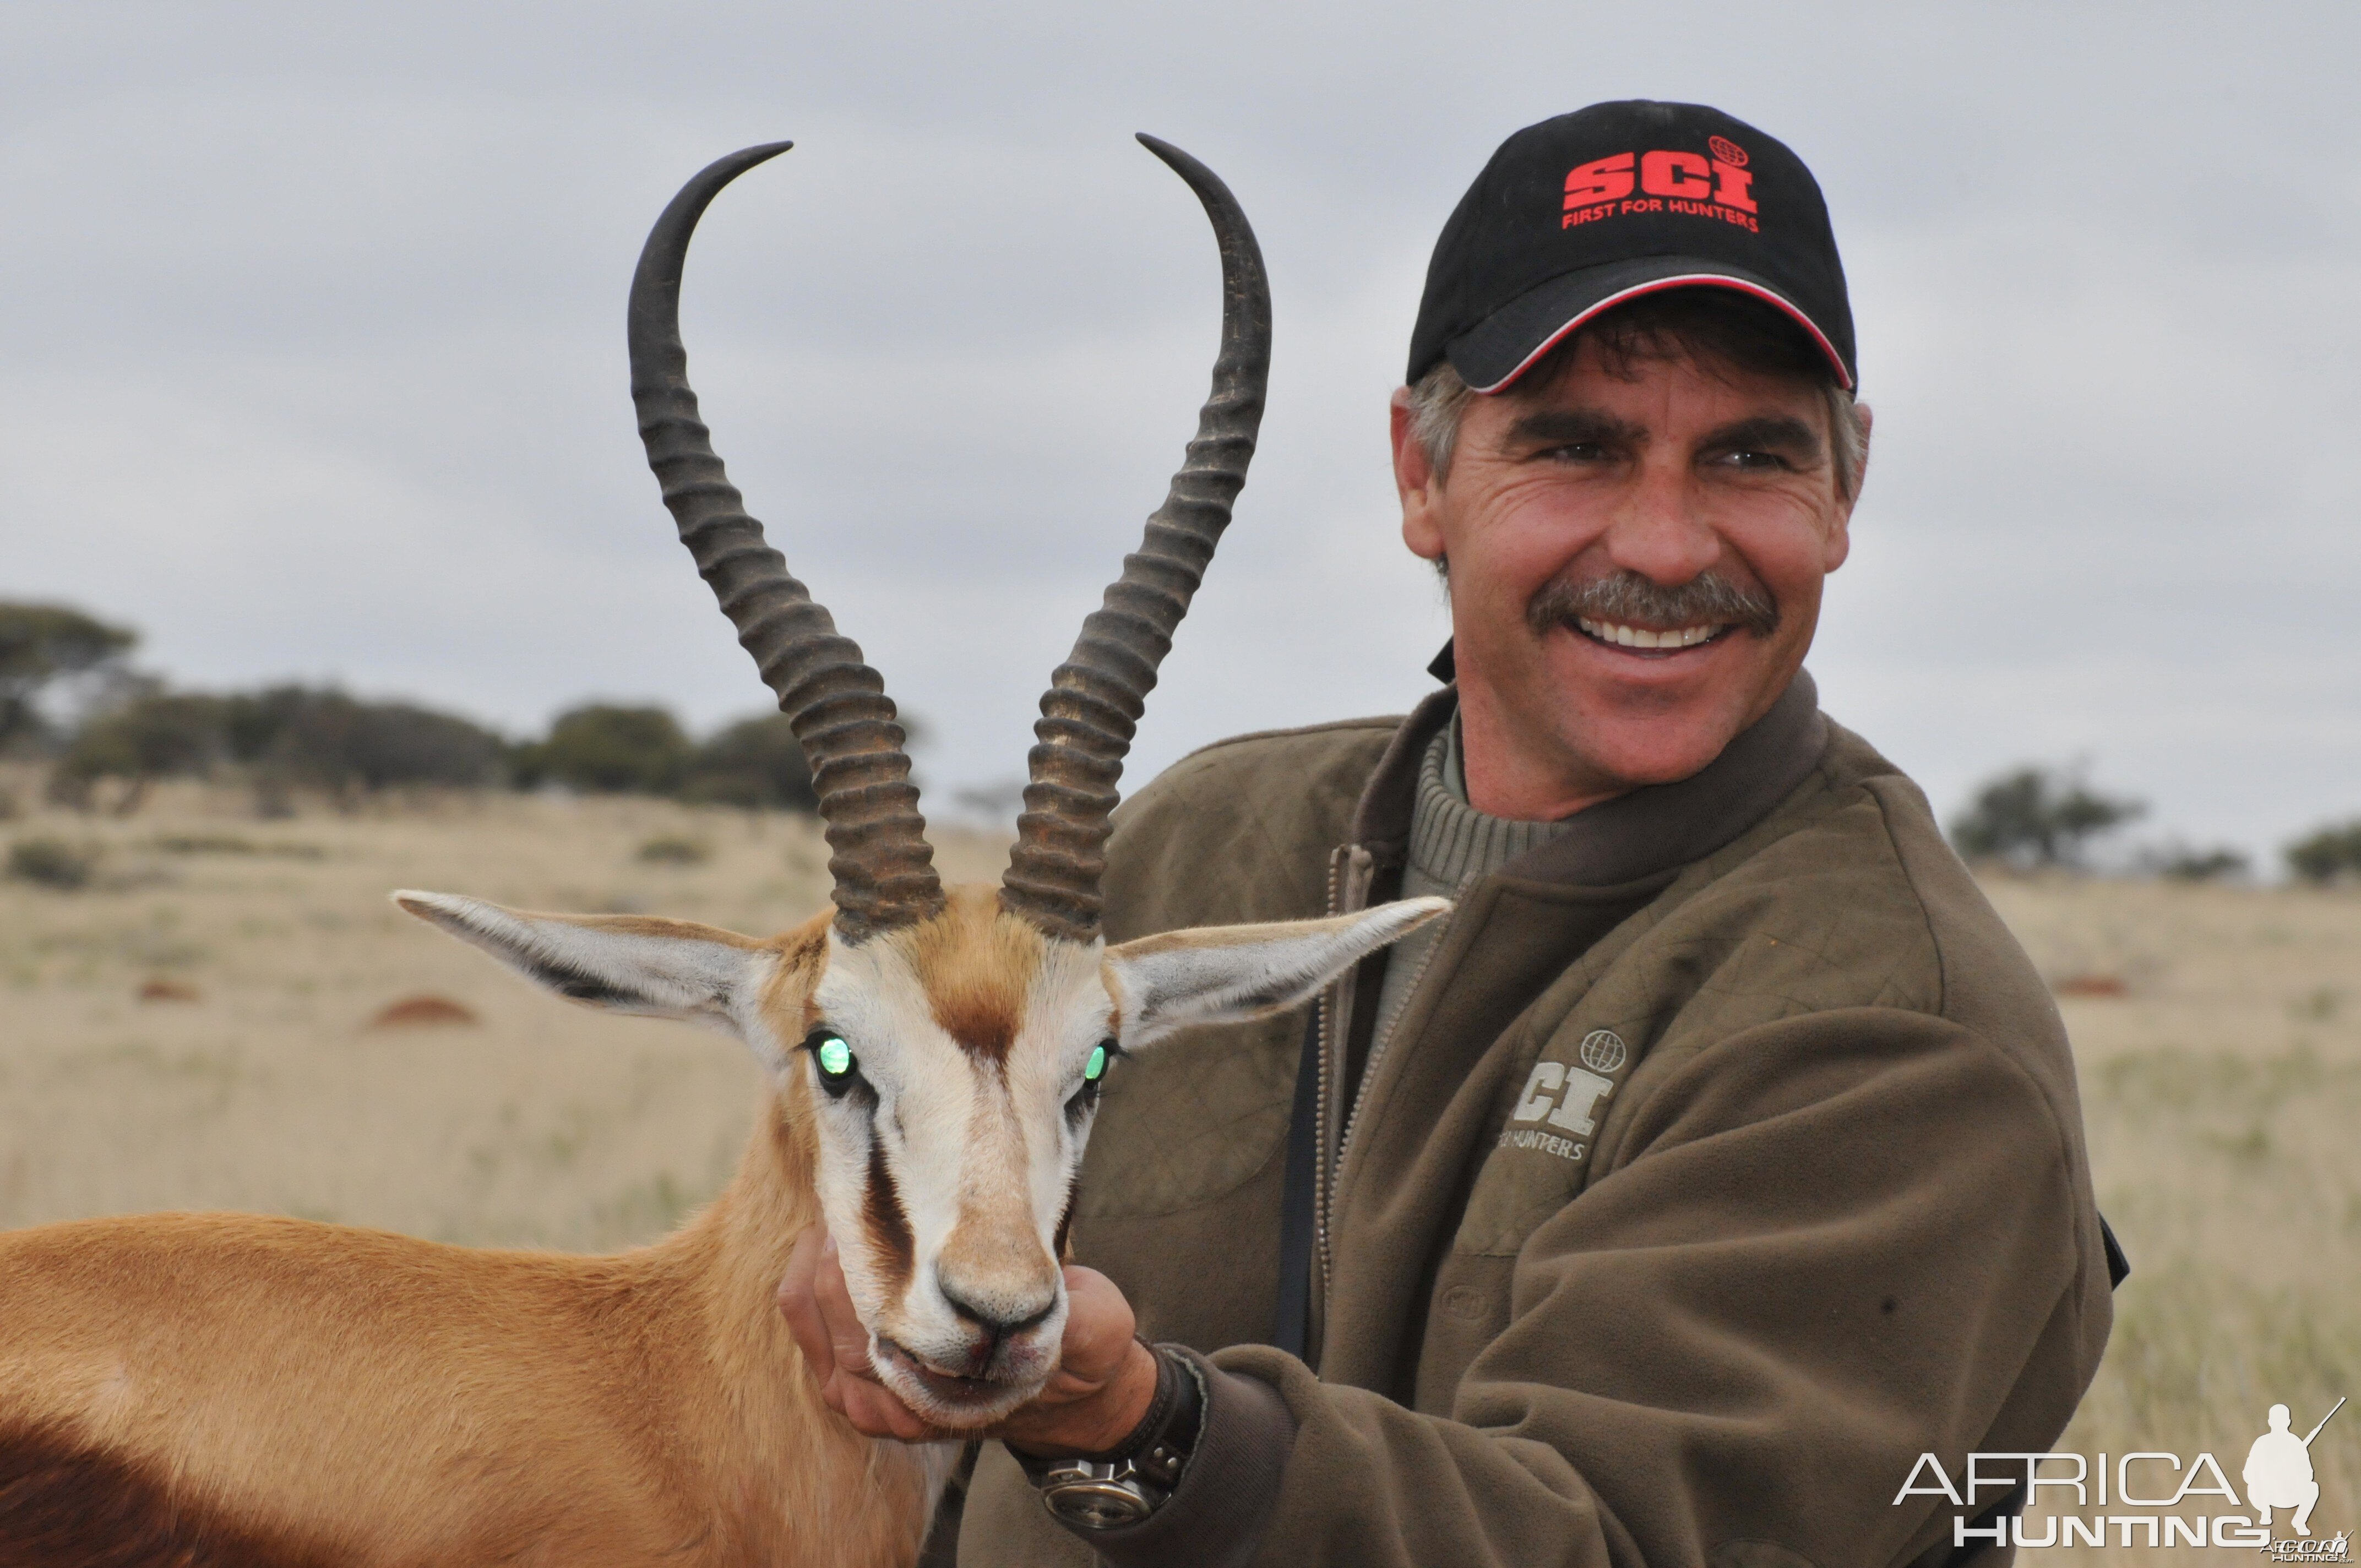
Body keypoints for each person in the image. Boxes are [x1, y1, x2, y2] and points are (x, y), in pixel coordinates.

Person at [782, 100, 2116, 1567]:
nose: (1668, 546)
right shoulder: (1192, 851)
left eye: (1750, 458)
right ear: (1424, 479)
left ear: (1847, 485)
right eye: (1579, 449)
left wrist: (1145, 1429)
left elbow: (1617, 1540)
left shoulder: (1896, 1021)